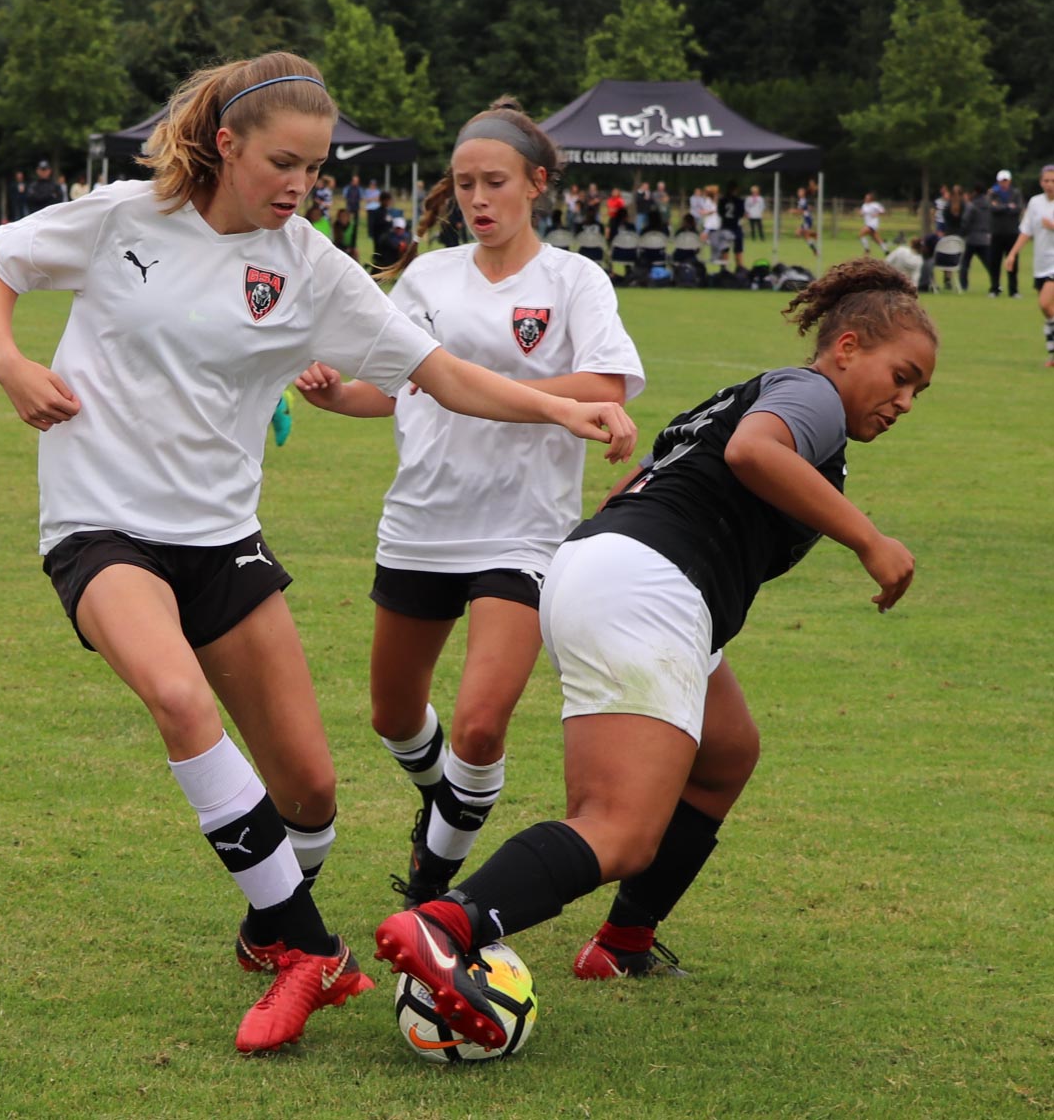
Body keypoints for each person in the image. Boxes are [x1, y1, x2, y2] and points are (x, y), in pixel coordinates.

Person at [0, 51, 635, 1057]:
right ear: (225, 144)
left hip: (221, 538)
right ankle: (306, 951)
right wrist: (9, 358)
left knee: (310, 794)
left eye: (316, 169)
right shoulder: (121, 217)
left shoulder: (312, 266)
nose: (299, 185)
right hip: (98, 524)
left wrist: (561, 407)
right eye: (283, 161)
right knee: (181, 701)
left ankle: (269, 917)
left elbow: (442, 375)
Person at [374, 258, 938, 1049]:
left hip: (607, 568)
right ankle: (447, 924)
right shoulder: (810, 397)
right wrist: (870, 539)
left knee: (727, 752)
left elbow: (645, 484)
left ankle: (623, 945)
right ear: (845, 347)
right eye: (900, 376)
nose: (906, 401)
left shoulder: (752, 391)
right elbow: (754, 455)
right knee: (620, 827)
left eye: (920, 391)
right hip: (646, 585)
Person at [293, 96, 645, 911]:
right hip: (421, 524)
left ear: (537, 185)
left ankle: (430, 883)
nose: (479, 199)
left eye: (495, 182)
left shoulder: (572, 280)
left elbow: (605, 383)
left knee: (481, 726)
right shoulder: (427, 276)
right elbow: (395, 387)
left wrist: (475, 390)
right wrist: (335, 395)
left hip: (523, 532)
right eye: (464, 185)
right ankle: (444, 797)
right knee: (391, 716)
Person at [1003, 165, 1054, 367]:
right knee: (1048, 310)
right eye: (1046, 181)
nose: (1049, 184)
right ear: (1040, 182)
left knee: (1044, 303)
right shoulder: (1035, 202)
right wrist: (1013, 254)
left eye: (1053, 181)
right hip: (1040, 265)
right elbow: (1026, 231)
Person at [988, 170, 1023, 297]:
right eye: (1002, 181)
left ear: (1009, 181)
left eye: (1006, 180)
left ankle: (1013, 290)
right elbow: (993, 208)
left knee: (1012, 262)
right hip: (997, 232)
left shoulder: (1016, 193)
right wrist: (1008, 207)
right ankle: (994, 288)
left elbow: (1018, 209)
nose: (1004, 183)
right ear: (998, 181)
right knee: (994, 262)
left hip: (1012, 233)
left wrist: (1001, 207)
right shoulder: (993, 193)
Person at [959, 184, 992, 292]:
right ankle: (995, 284)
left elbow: (965, 221)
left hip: (971, 238)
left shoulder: (971, 205)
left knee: (965, 263)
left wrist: (963, 233)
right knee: (989, 264)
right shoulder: (989, 205)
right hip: (985, 238)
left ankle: (963, 285)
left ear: (975, 192)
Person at [796, 187, 819, 257]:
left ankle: (815, 249)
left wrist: (793, 211)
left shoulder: (802, 200)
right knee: (801, 234)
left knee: (800, 233)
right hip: (807, 219)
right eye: (798, 192)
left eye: (800, 192)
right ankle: (815, 238)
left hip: (808, 219)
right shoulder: (802, 200)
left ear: (803, 193)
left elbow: (801, 210)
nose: (798, 193)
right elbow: (806, 208)